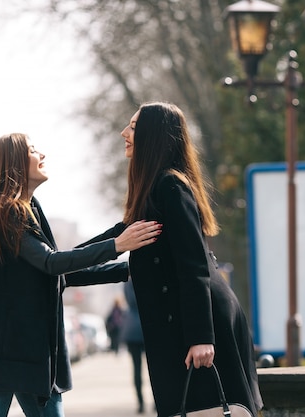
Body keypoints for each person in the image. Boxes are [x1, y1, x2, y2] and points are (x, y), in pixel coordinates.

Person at [0, 133, 161, 417]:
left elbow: (59, 272)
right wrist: (117, 245)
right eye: (33, 150)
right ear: (12, 162)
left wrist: (127, 267)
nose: (42, 155)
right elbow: (52, 263)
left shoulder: (30, 210)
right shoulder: (6, 214)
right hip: (1, 357)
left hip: (31, 355)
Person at [83, 102, 263, 417]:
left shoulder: (170, 186)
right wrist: (60, 265)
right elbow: (118, 236)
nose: (124, 133)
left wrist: (201, 338)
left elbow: (194, 268)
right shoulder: (155, 190)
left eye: (134, 127)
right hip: (181, 325)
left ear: (154, 136)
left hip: (198, 328)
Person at [121, 278, 147, 414]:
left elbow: (130, 300)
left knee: (136, 369)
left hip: (131, 328)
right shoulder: (146, 278)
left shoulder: (128, 283)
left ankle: (141, 403)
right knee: (155, 368)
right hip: (146, 327)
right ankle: (154, 401)